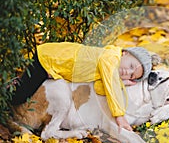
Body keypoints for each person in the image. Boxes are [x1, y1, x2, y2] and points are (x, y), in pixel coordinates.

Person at [10, 42, 153, 131]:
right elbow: (111, 87)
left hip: (52, 64)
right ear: (125, 53)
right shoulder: (111, 58)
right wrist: (120, 116)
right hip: (49, 59)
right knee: (20, 96)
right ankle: (6, 93)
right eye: (131, 66)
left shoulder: (109, 68)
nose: (127, 72)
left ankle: (12, 88)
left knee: (24, 91)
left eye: (132, 76)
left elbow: (100, 88)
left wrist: (121, 83)